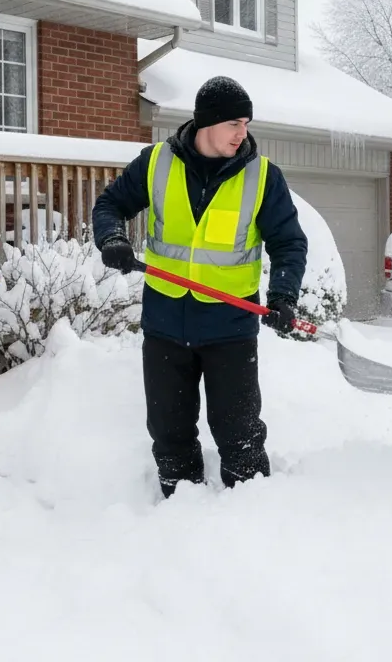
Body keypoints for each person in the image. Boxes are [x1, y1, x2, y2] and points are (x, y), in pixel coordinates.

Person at [92, 75, 308, 499]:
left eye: (246, 123)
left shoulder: (262, 177)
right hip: (165, 322)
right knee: (169, 428)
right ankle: (177, 502)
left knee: (239, 430)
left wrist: (283, 295)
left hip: (230, 325)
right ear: (207, 123)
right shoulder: (156, 163)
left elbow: (288, 241)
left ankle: (251, 509)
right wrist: (112, 239)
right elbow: (110, 205)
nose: (242, 133)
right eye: (234, 123)